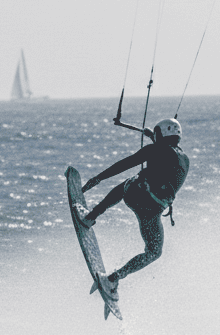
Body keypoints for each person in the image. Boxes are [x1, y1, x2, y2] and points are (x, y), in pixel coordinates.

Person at [75, 117, 190, 300]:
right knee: (154, 252)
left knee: (131, 182)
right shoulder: (184, 159)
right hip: (152, 211)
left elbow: (126, 163)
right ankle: (114, 278)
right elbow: (167, 154)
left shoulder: (154, 149)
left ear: (160, 134)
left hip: (136, 196)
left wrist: (98, 178)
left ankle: (91, 217)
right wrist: (153, 136)